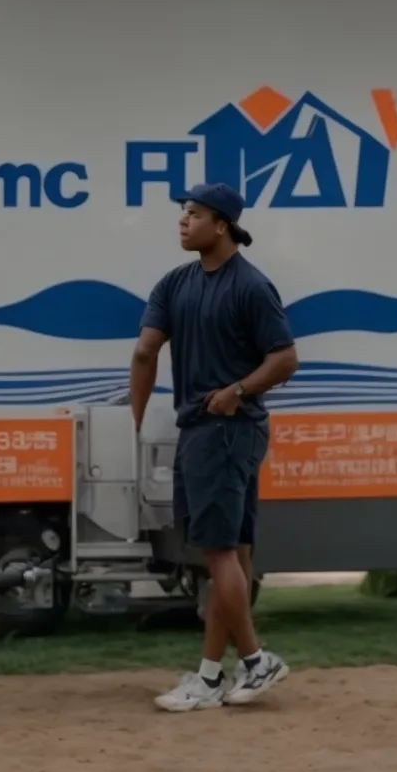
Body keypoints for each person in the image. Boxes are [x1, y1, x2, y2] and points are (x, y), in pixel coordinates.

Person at [129, 182, 300, 712]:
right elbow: (145, 351)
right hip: (219, 432)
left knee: (220, 553)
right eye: (183, 212)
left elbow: (285, 359)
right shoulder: (177, 283)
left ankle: (255, 660)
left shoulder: (250, 287)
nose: (183, 221)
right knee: (233, 554)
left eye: (194, 213)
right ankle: (208, 676)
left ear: (222, 225)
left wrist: (236, 391)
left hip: (224, 430)